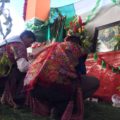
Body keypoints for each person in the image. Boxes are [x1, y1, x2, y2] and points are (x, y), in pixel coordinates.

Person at [23, 35, 99, 119]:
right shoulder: (76, 49)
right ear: (78, 44)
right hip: (54, 89)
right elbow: (80, 72)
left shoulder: (51, 46)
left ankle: (51, 107)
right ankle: (62, 109)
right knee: (91, 82)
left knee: (59, 83)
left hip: (32, 89)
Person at [0, 30, 36, 108]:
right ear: (25, 37)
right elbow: (23, 68)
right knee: (25, 73)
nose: (30, 45)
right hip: (2, 71)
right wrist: (32, 63)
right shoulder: (19, 45)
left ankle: (5, 96)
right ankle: (17, 99)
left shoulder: (12, 40)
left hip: (2, 69)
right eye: (30, 42)